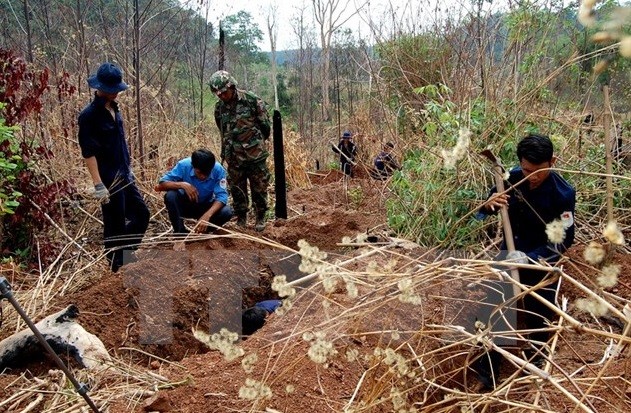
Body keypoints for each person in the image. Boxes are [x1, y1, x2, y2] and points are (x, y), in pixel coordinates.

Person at [475, 133, 576, 388]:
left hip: (541, 261)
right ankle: (487, 373)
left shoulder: (563, 194)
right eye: (527, 169)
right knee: (494, 312)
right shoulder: (510, 178)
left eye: (539, 171)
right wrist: (489, 206)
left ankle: (534, 370)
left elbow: (563, 240)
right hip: (508, 255)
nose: (532, 176)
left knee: (539, 316)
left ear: (552, 161)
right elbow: (483, 211)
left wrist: (529, 260)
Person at [78, 62, 149, 273]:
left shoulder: (115, 108)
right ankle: (116, 266)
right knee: (114, 223)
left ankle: (123, 254)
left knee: (142, 214)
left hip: (124, 174)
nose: (116, 92)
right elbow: (88, 152)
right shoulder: (89, 116)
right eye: (112, 89)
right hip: (108, 178)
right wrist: (98, 185)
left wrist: (128, 167)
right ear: (100, 88)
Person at [209, 70, 271, 232]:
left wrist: (254, 143)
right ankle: (242, 217)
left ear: (232, 86)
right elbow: (222, 129)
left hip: (254, 154)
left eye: (224, 92)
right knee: (237, 188)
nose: (222, 96)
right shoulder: (219, 109)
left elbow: (265, 126)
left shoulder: (251, 101)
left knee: (259, 186)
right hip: (234, 156)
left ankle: (260, 216)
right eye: (218, 94)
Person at [155, 149, 233, 235]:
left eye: (207, 173)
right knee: (170, 196)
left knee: (227, 211)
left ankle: (202, 231)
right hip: (186, 205)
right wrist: (182, 185)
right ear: (193, 166)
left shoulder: (218, 170)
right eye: (199, 173)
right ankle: (180, 234)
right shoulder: (184, 165)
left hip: (206, 205)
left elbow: (222, 196)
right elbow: (162, 185)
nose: (203, 176)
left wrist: (207, 215)